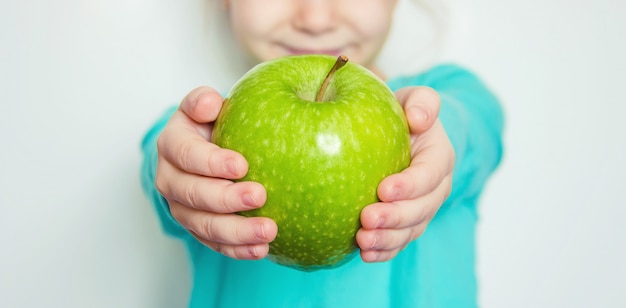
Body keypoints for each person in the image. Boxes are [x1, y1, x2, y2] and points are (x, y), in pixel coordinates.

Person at [141, 0, 504, 307]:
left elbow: (473, 130)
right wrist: (180, 173)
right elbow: (160, 159)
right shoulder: (207, 126)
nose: (315, 20)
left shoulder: (452, 94)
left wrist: (432, 136)